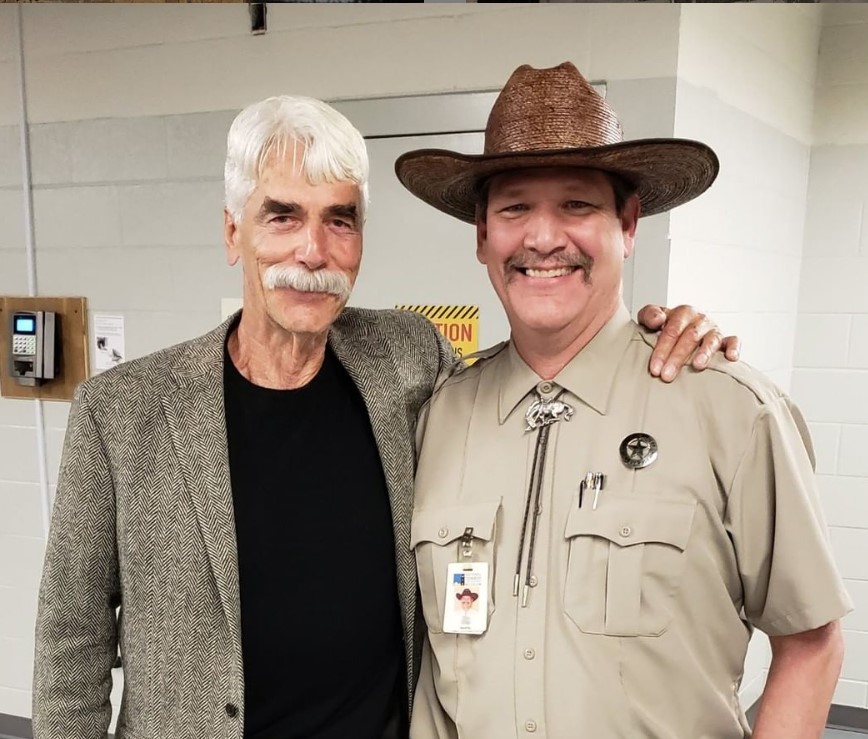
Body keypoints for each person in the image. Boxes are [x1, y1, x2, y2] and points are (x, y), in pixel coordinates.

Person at [33, 93, 737, 739]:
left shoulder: (408, 359)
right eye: (282, 215)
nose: (313, 250)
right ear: (232, 233)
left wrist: (645, 334)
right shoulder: (122, 414)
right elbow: (71, 642)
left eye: (339, 219)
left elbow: (532, 384)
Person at [399, 62, 852, 739]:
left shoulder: (729, 410)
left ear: (629, 223)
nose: (544, 238)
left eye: (577, 205)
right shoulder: (438, 418)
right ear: (482, 236)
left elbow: (812, 642)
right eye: (515, 207)